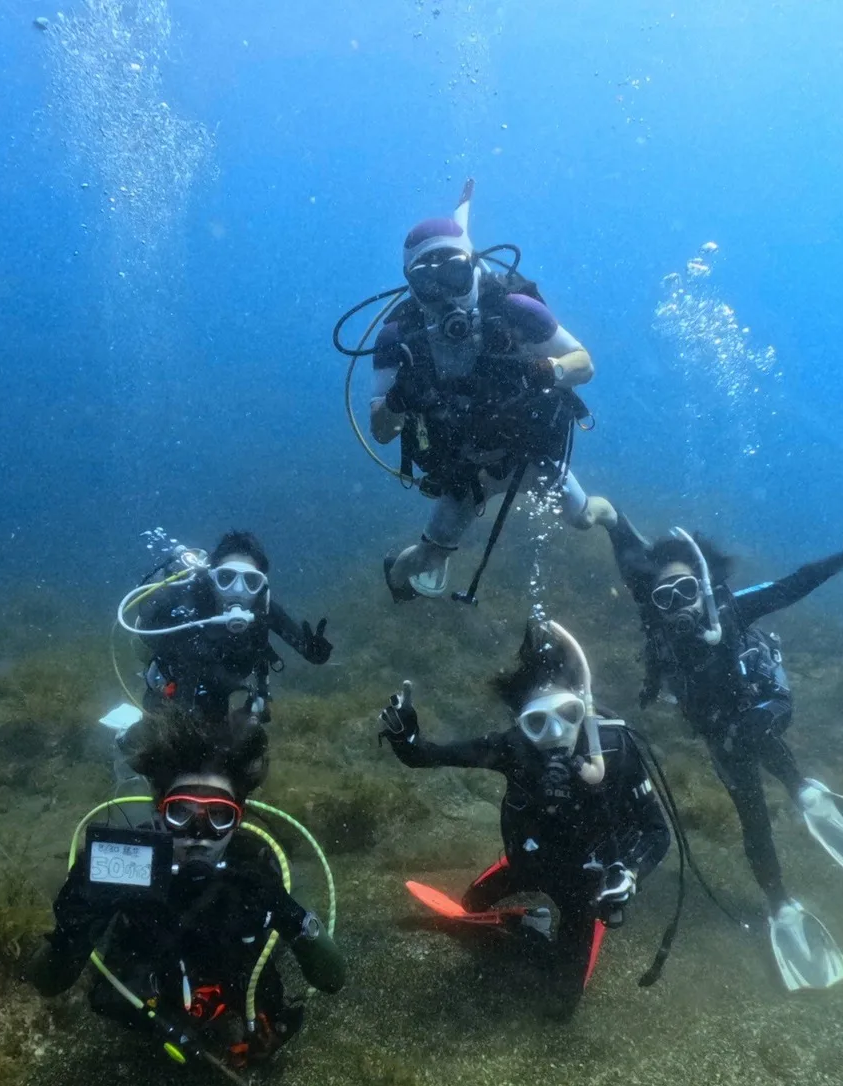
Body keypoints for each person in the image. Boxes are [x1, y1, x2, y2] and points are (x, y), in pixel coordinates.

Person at [606, 508, 843, 990]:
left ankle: (801, 790)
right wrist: (609, 520)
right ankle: (780, 905)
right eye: (666, 597)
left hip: (758, 713)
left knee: (755, 739)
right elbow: (631, 570)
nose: (678, 606)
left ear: (704, 587)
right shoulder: (659, 627)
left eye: (686, 591)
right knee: (754, 822)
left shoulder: (729, 609)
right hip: (719, 737)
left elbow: (793, 585)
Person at [24, 712, 346, 1066]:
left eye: (219, 816)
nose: (199, 833)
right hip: (149, 987)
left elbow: (333, 979)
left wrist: (290, 914)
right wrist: (74, 928)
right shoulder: (131, 864)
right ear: (160, 810)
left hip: (233, 980)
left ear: (238, 816)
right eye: (181, 812)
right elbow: (48, 983)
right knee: (118, 991)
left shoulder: (253, 868)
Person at [376, 614, 669, 1001]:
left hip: (586, 884)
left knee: (560, 1005)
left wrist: (629, 873)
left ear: (584, 706)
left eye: (567, 715)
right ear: (521, 724)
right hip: (526, 863)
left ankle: (537, 930)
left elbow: (657, 832)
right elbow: (427, 755)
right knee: (466, 912)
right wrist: (404, 738)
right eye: (537, 723)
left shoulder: (615, 748)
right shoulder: (512, 747)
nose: (555, 735)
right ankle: (524, 921)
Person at [367, 181, 616, 601]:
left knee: (584, 518)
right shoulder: (399, 337)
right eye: (430, 284)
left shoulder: (513, 308)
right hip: (464, 470)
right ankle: (397, 578)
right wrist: (398, 399)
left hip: (529, 453)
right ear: (412, 286)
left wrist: (546, 370)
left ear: (472, 266)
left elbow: (584, 364)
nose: (445, 295)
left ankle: (612, 516)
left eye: (454, 274)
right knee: (425, 559)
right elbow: (381, 431)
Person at [118, 530, 333, 722]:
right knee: (159, 746)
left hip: (220, 691)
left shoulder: (263, 608)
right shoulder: (190, 601)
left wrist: (315, 652)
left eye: (250, 581)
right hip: (172, 690)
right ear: (212, 578)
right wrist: (183, 645)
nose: (237, 590)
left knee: (221, 744)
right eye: (226, 578)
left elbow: (307, 650)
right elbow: (149, 634)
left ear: (261, 585)